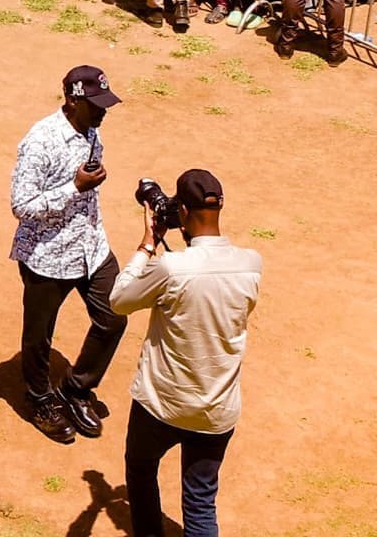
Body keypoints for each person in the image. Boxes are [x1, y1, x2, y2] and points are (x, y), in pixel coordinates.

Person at [112, 168, 262, 537]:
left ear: (181, 213)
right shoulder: (250, 264)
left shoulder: (170, 268)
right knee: (200, 500)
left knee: (142, 469)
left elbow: (119, 301)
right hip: (217, 410)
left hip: (161, 405)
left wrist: (148, 244)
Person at [7, 65, 127, 445]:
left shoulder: (92, 131)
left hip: (91, 246)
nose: (103, 111)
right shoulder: (41, 140)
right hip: (48, 255)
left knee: (115, 316)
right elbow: (21, 205)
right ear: (73, 101)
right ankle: (41, 399)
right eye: (96, 105)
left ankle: (76, 389)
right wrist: (75, 186)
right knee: (39, 336)